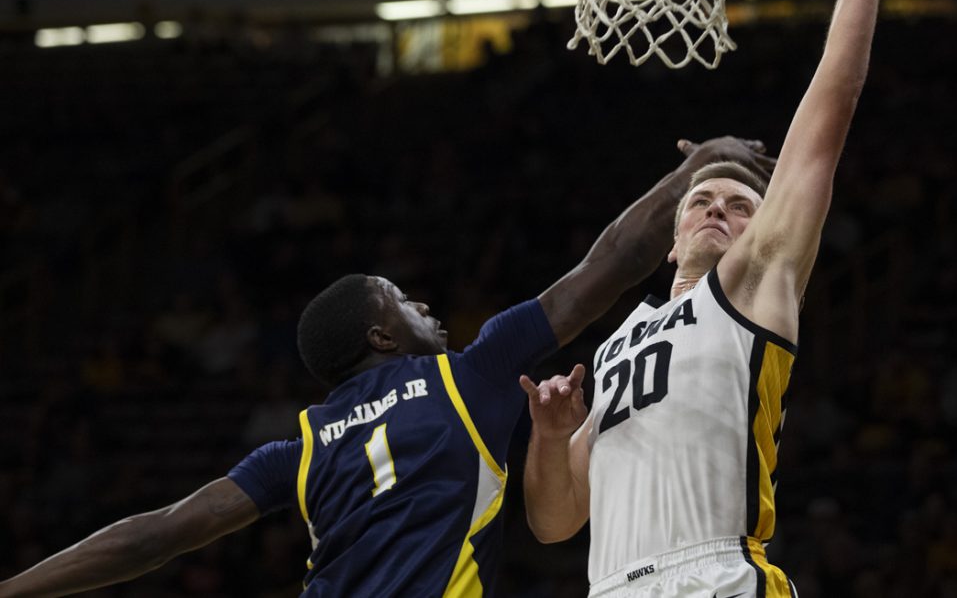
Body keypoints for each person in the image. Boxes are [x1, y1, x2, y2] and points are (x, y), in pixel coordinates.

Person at [0, 137, 772, 598]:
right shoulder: (469, 376)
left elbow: (157, 534)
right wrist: (698, 168)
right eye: (403, 302)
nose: (424, 308)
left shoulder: (297, 447)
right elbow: (611, 265)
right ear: (379, 334)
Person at [521, 0, 887, 598]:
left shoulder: (751, 287)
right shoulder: (622, 339)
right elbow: (556, 521)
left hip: (713, 576)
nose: (718, 207)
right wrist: (551, 437)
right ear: (672, 236)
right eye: (702, 200)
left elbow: (828, 115)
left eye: (742, 204)